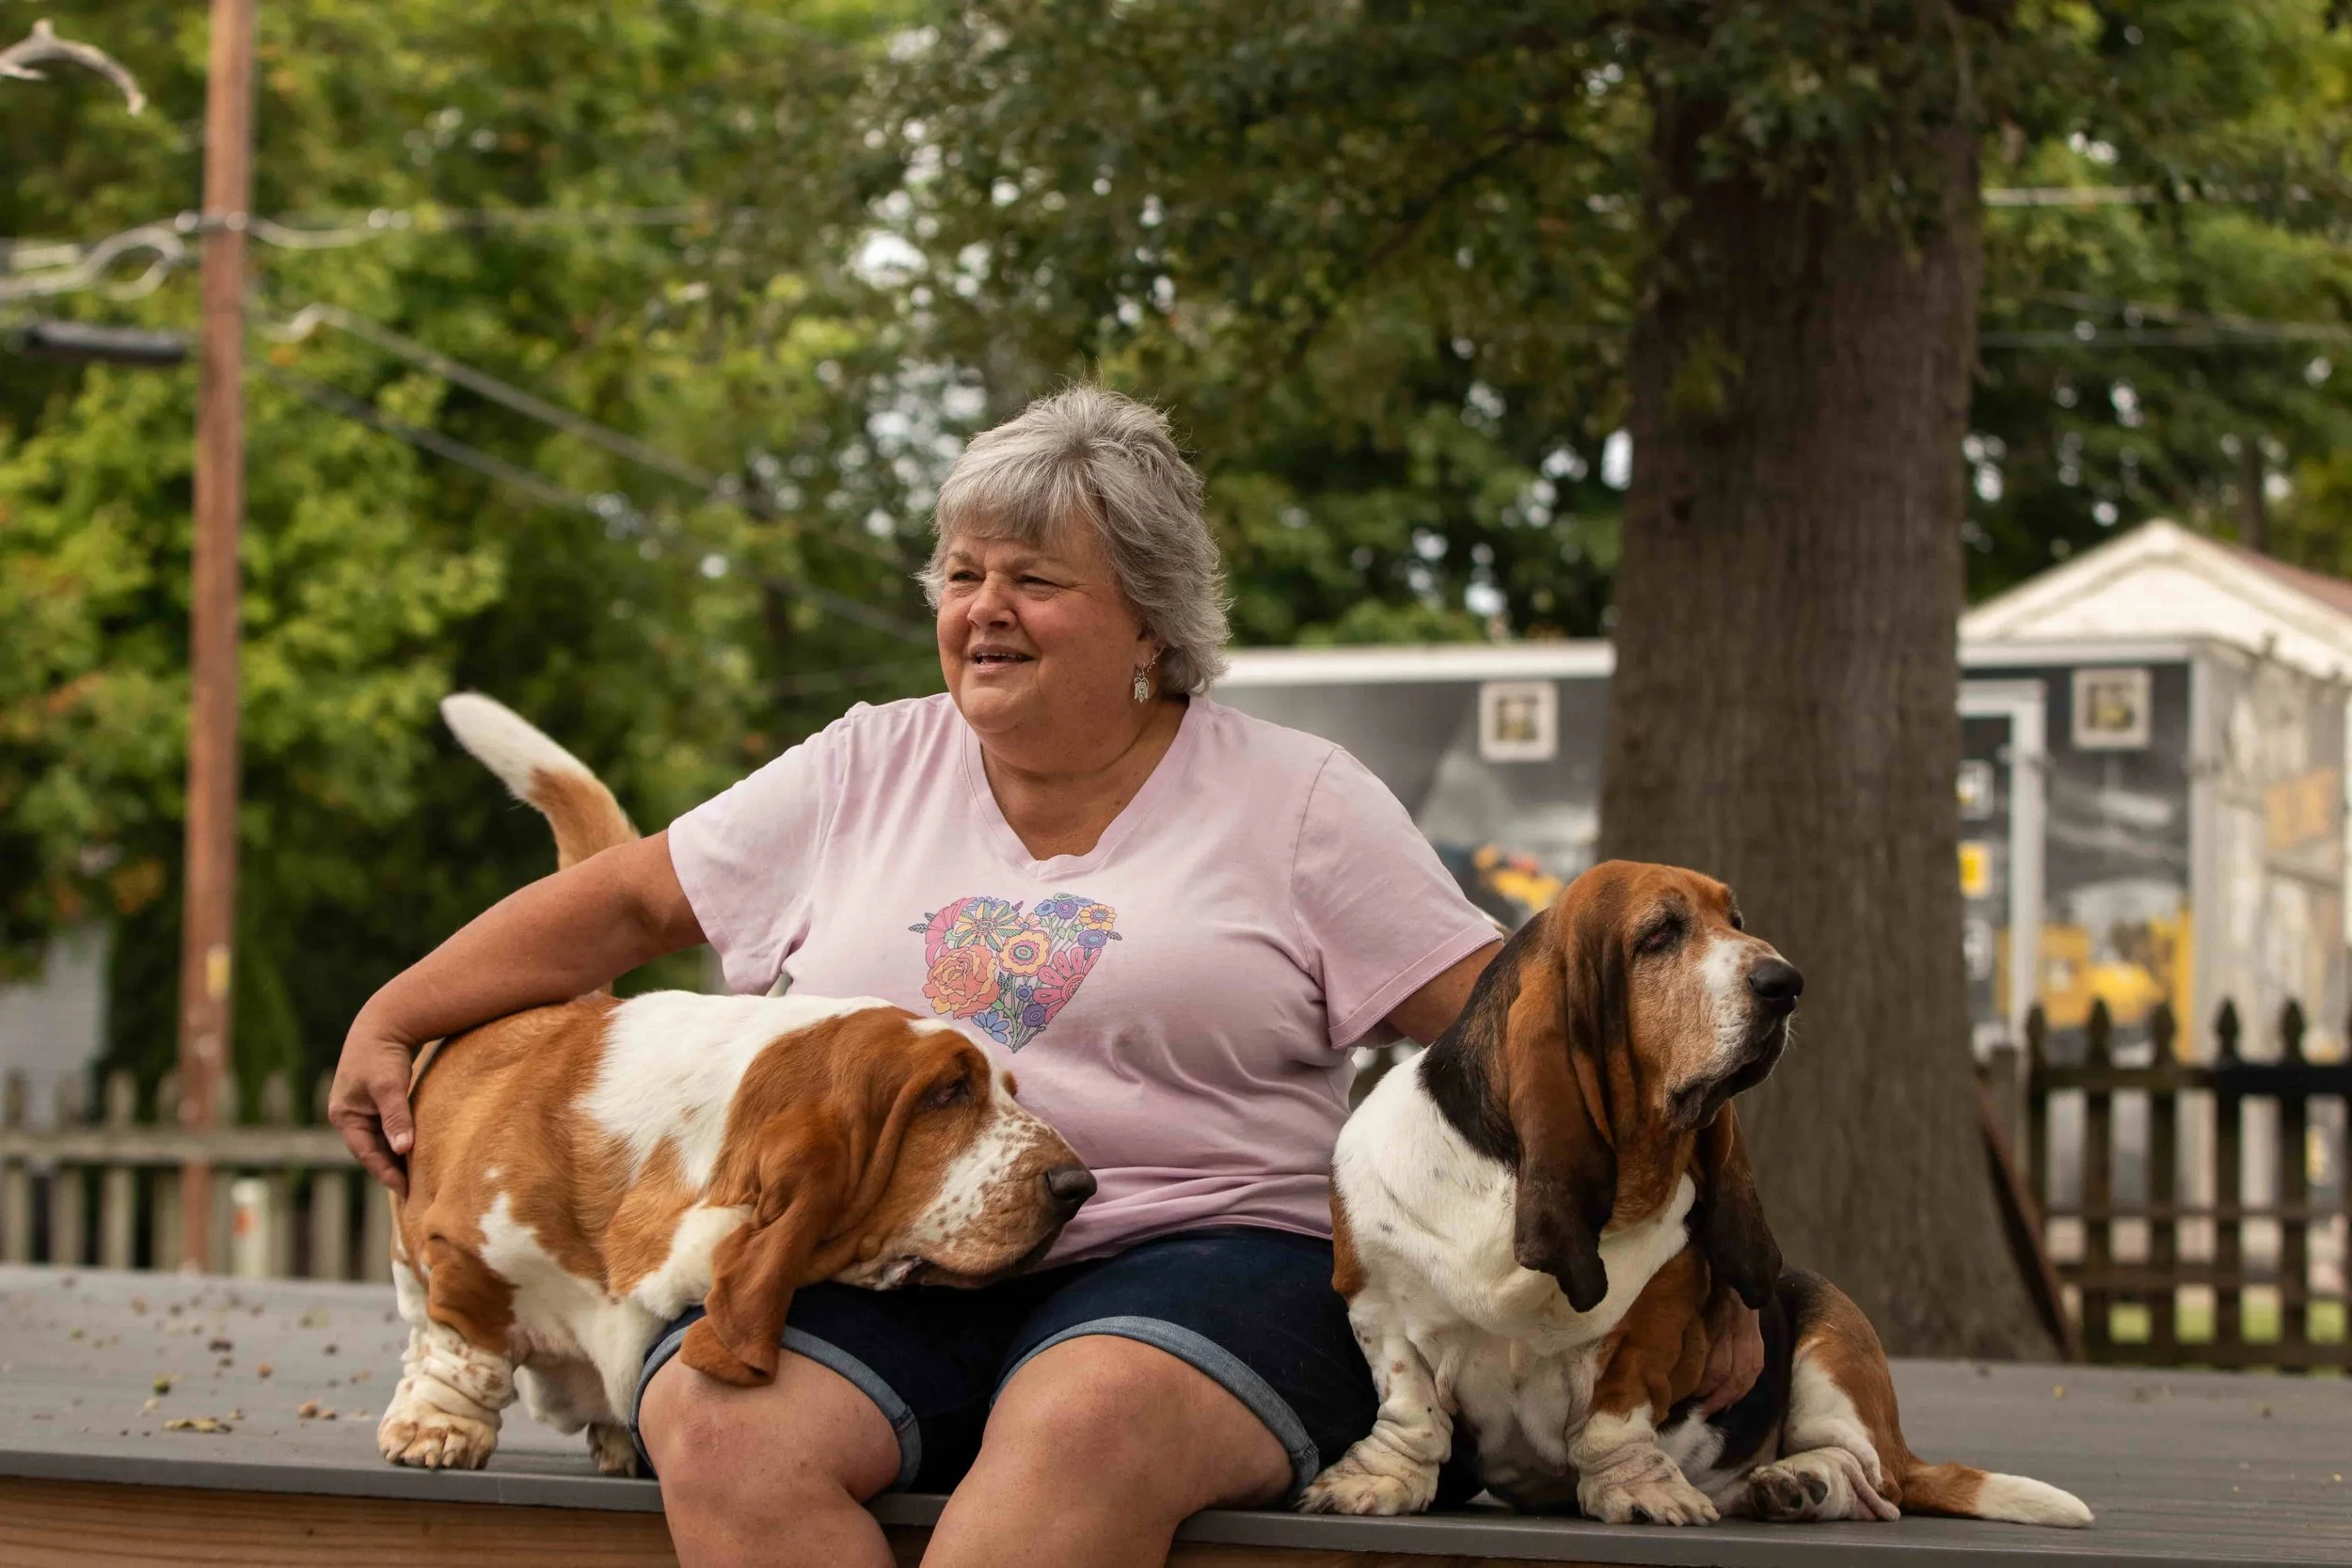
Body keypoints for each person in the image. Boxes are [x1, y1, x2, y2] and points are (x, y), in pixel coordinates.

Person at [329, 386, 1762, 1568]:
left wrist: (1719, 1276)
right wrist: (400, 1013)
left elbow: (1548, 1046)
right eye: (961, 574)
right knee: (715, 1422)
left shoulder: (1300, 802)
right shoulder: (863, 763)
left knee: (1075, 1427)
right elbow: (628, 897)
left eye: (1034, 580)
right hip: (874, 1247)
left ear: (1150, 619)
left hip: (1209, 1256)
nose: (983, 609)